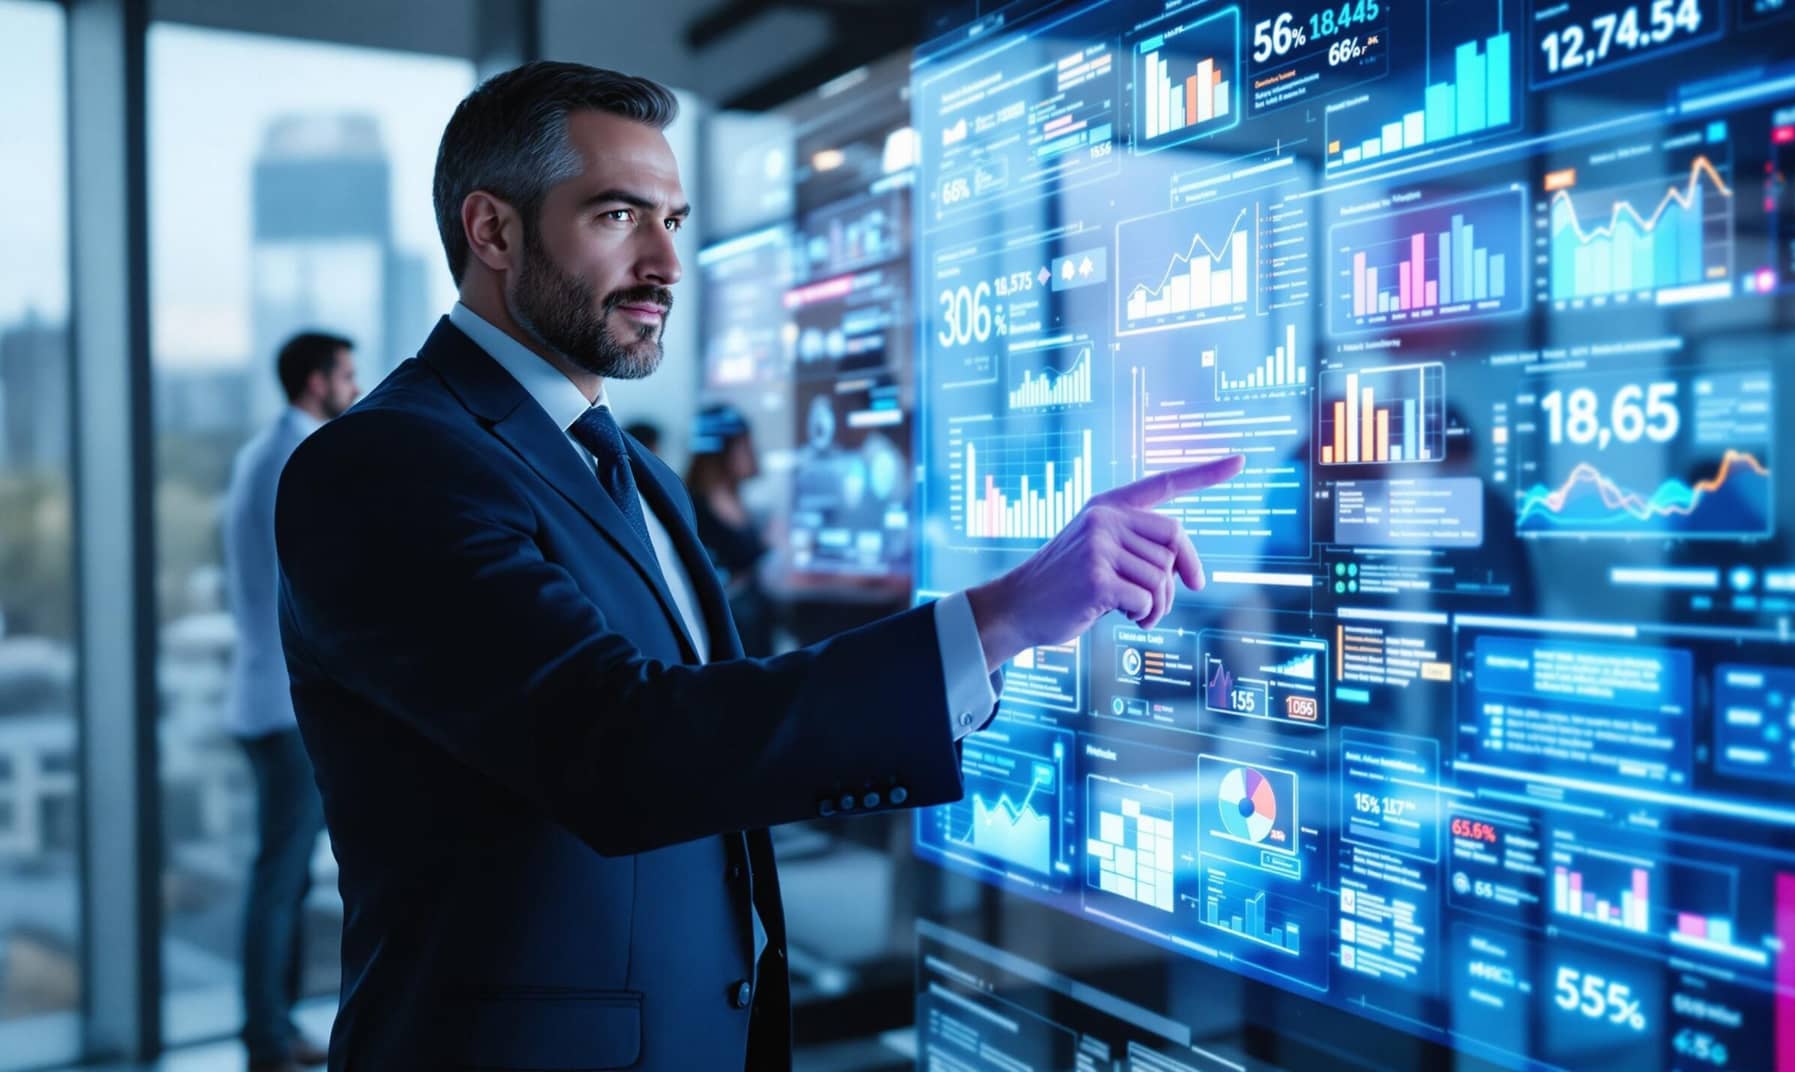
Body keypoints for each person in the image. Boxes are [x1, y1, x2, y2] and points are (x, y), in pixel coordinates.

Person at [273, 61, 1242, 1070]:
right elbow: (616, 745)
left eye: (674, 222)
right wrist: (997, 616)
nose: (665, 263)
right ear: (493, 231)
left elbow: (715, 740)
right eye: (617, 216)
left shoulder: (634, 470)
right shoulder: (386, 464)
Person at [221, 331, 358, 1071]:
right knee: (279, 880)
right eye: (346, 375)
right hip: (284, 704)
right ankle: (268, 1036)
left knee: (285, 875)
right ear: (315, 383)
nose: (357, 388)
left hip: (261, 692)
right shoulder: (299, 458)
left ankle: (274, 1029)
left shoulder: (263, 452)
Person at [684, 404, 775, 655]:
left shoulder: (740, 501)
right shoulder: (691, 507)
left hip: (757, 627)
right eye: (743, 445)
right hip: (727, 634)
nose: (751, 453)